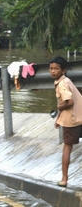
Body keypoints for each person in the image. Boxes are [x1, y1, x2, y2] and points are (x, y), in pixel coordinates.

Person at [49, 56, 82, 187]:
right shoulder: (66, 80)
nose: (53, 71)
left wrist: (58, 107)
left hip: (73, 120)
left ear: (63, 70)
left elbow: (68, 102)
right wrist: (58, 118)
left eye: (56, 69)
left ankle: (64, 179)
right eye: (51, 68)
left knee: (67, 147)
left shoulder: (62, 84)